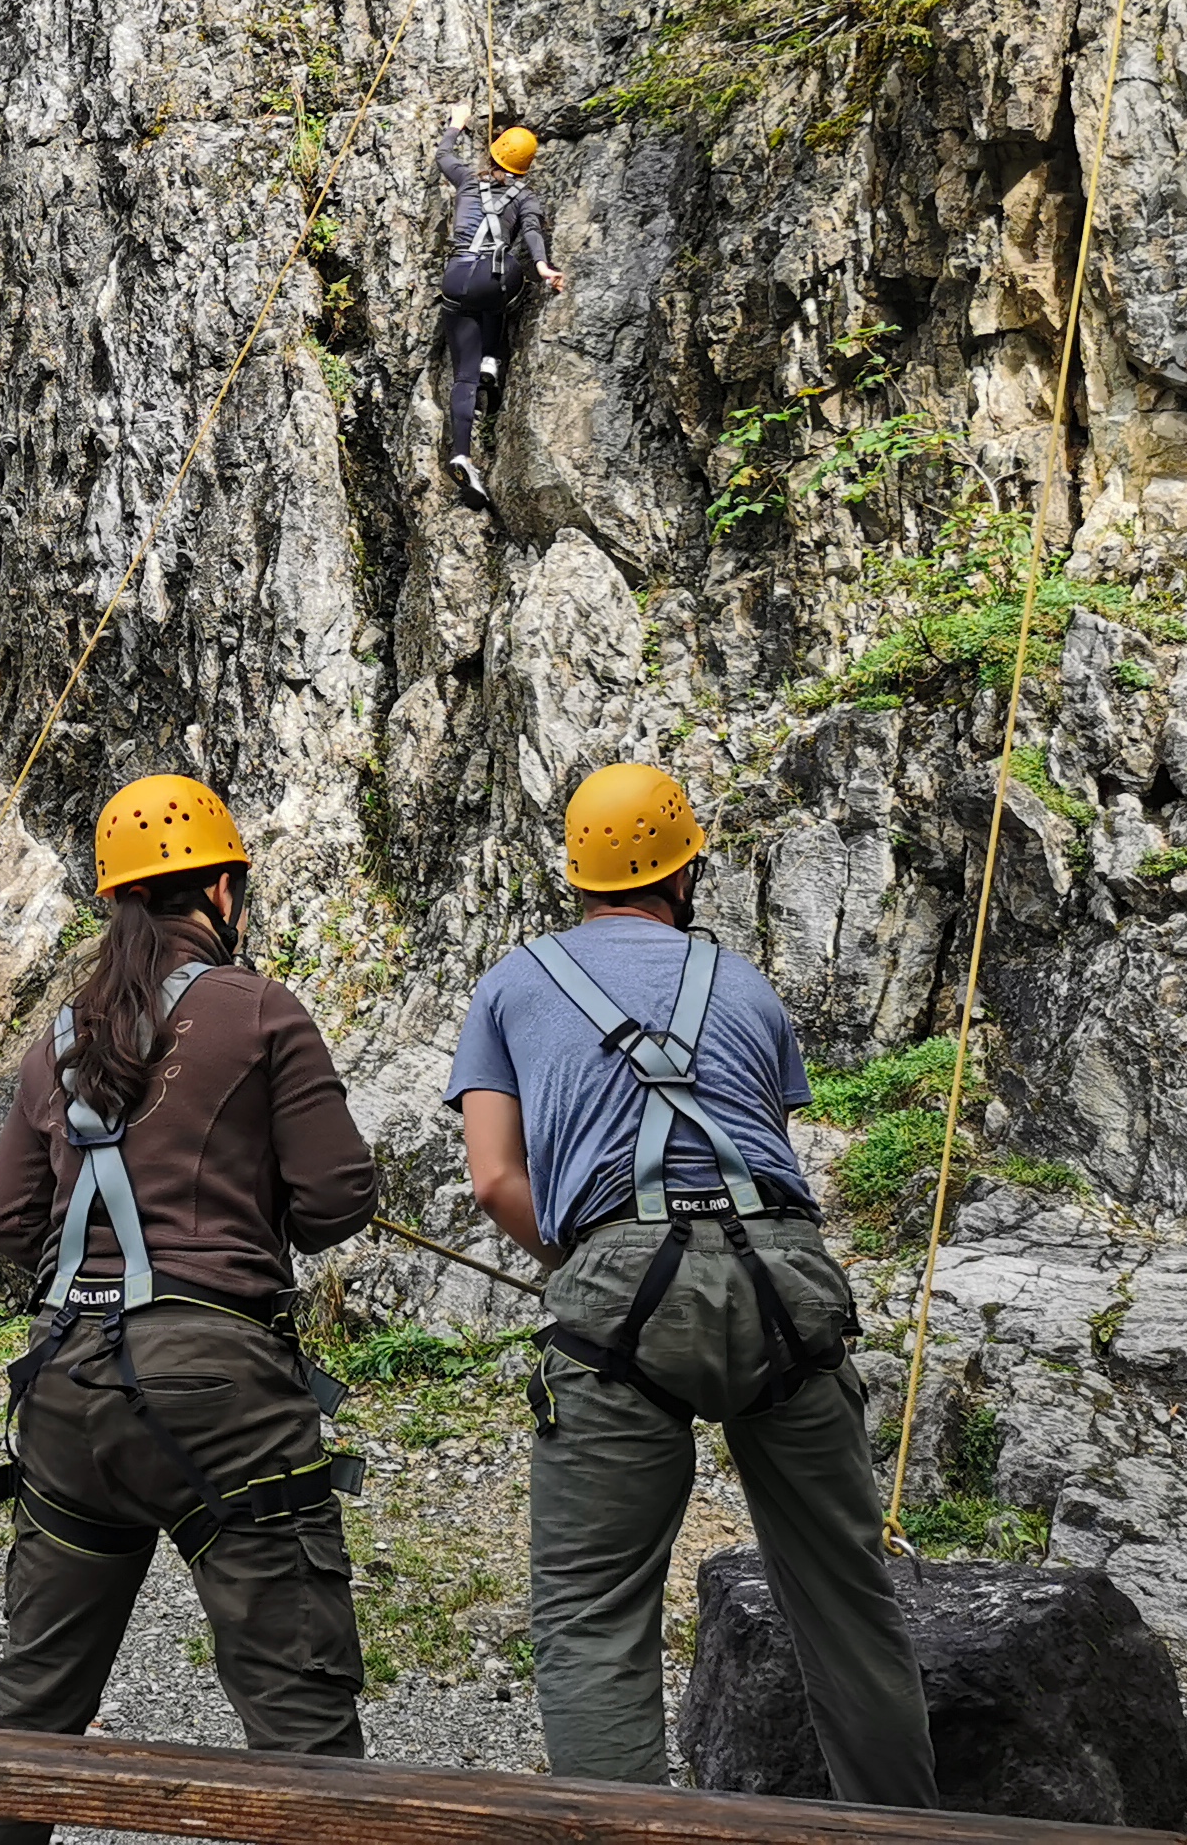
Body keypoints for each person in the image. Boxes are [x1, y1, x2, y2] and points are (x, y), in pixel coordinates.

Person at [454, 762, 936, 1805]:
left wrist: (595, 1271)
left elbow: (495, 1178)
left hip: (616, 1286)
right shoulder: (745, 984)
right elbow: (764, 1148)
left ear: (578, 875)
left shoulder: (512, 984)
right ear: (686, 872)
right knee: (846, 1601)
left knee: (591, 1614)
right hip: (784, 1279)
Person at [0, 778, 377, 1845]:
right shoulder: (260, 1010)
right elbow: (337, 1197)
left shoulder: (60, 1037)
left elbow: (9, 1223)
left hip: (65, 1387)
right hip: (219, 1392)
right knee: (301, 1720)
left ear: (115, 902)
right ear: (223, 891)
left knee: (32, 1708)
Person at [434, 115, 563, 506]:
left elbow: (443, 155)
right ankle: (492, 358)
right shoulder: (525, 197)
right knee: (503, 288)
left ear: (493, 153)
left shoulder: (466, 180)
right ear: (526, 165)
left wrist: (456, 124)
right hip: (494, 279)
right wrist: (542, 266)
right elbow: (531, 231)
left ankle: (461, 454)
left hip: (455, 278)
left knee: (463, 376)